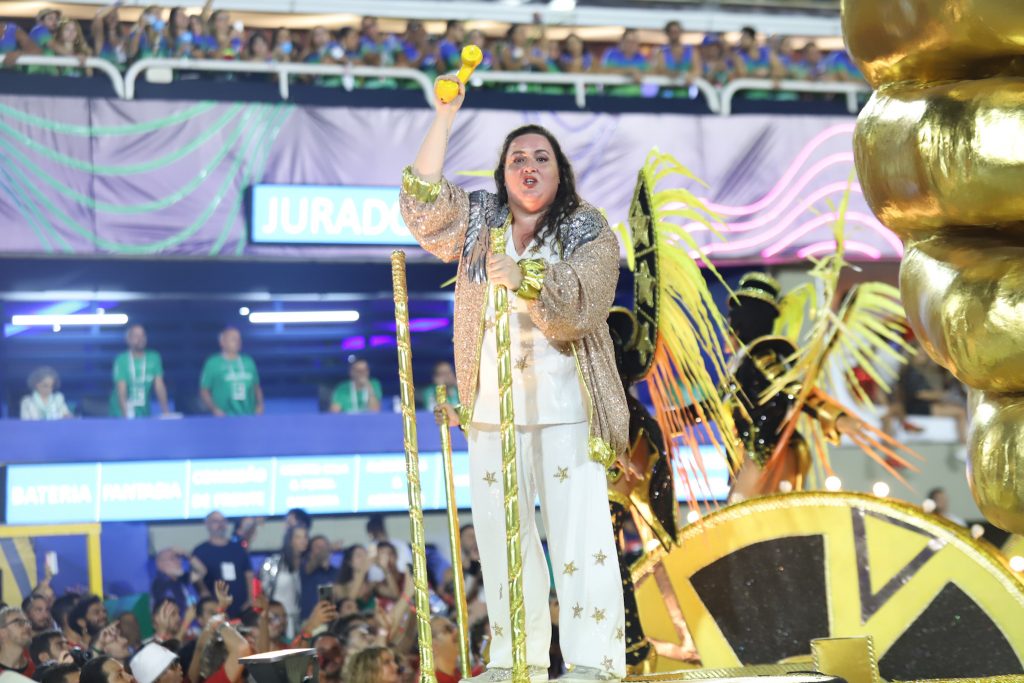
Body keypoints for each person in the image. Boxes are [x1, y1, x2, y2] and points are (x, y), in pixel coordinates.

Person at [400, 77, 628, 683]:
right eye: (516, 159)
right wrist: (444, 118)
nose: (528, 167)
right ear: (503, 174)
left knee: (581, 541)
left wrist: (524, 278)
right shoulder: (480, 222)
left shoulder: (586, 228)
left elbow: (585, 299)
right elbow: (423, 206)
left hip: (568, 406)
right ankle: (513, 662)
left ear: (561, 172)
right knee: (501, 543)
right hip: (489, 412)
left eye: (541, 158)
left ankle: (594, 662)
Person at [191, 511, 254, 617]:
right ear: (207, 524)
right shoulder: (200, 552)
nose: (220, 525)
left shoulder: (238, 549)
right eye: (215, 521)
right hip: (215, 611)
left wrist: (250, 599)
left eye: (222, 521)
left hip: (242, 610)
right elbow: (196, 581)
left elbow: (248, 575)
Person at [199, 327, 264, 417]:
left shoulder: (248, 361)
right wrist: (214, 409)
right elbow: (204, 391)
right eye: (233, 339)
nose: (237, 342)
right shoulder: (212, 363)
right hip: (224, 418)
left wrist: (260, 406)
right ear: (222, 342)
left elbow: (256, 387)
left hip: (249, 416)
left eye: (239, 339)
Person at [258, 525, 309, 638]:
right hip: (276, 618)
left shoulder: (306, 565)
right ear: (290, 540)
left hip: (298, 619)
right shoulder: (274, 562)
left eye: (305, 537)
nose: (303, 540)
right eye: (298, 537)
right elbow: (262, 589)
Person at [110, 325, 170, 418]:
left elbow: (159, 386)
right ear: (128, 339)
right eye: (136, 336)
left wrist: (166, 413)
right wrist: (125, 416)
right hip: (120, 412)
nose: (140, 339)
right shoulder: (122, 359)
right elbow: (121, 389)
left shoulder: (154, 357)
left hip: (143, 412)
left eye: (143, 335)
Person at [151, 548, 206, 616]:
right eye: (172, 559)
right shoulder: (161, 584)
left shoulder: (180, 577)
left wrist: (187, 555)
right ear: (160, 564)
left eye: (178, 557)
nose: (178, 561)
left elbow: (202, 572)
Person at [300, 535, 337, 621]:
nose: (322, 549)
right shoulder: (305, 569)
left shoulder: (335, 572)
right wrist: (328, 548)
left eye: (324, 546)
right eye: (318, 547)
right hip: (308, 620)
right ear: (310, 551)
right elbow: (314, 561)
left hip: (330, 620)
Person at [0, 607, 35, 679]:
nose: (27, 626)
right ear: (2, 632)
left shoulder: (36, 667)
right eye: (19, 622)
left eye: (28, 622)